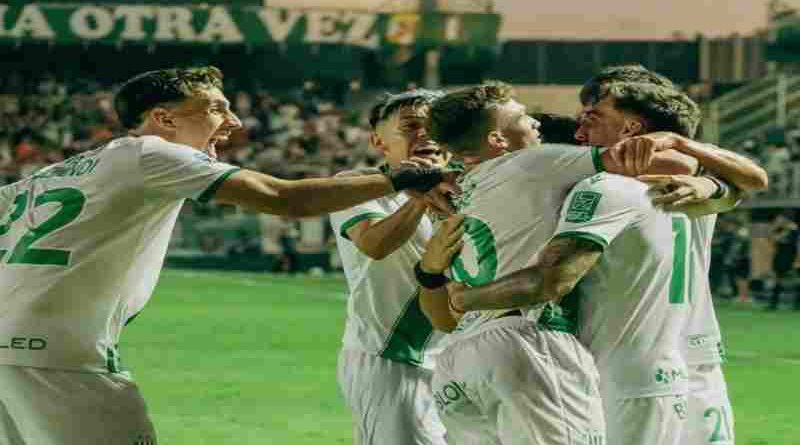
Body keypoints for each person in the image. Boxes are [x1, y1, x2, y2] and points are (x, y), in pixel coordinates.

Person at [0, 66, 450, 445]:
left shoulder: (51, 175)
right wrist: (401, 177)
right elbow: (283, 197)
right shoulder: (152, 153)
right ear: (164, 118)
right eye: (217, 109)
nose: (234, 122)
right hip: (59, 354)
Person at [445, 78, 767, 445]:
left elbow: (552, 278)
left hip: (621, 370)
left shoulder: (604, 188)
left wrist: (464, 299)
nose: (580, 131)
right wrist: (708, 178)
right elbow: (749, 181)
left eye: (592, 118)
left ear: (631, 128)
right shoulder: (695, 183)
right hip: (692, 362)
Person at [329, 90, 452, 445]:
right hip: (391, 358)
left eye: (434, 126)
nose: (425, 135)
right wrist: (419, 199)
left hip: (459, 358)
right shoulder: (355, 186)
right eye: (411, 127)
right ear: (379, 142)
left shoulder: (468, 189)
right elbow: (375, 244)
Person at [768, 211, 800, 311]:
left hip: (792, 256)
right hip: (780, 257)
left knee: (797, 280)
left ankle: (797, 304)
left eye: (780, 218)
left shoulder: (795, 230)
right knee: (778, 279)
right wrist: (780, 229)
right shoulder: (780, 229)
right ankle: (774, 303)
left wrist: (798, 259)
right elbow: (773, 240)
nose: (778, 221)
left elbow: (798, 244)